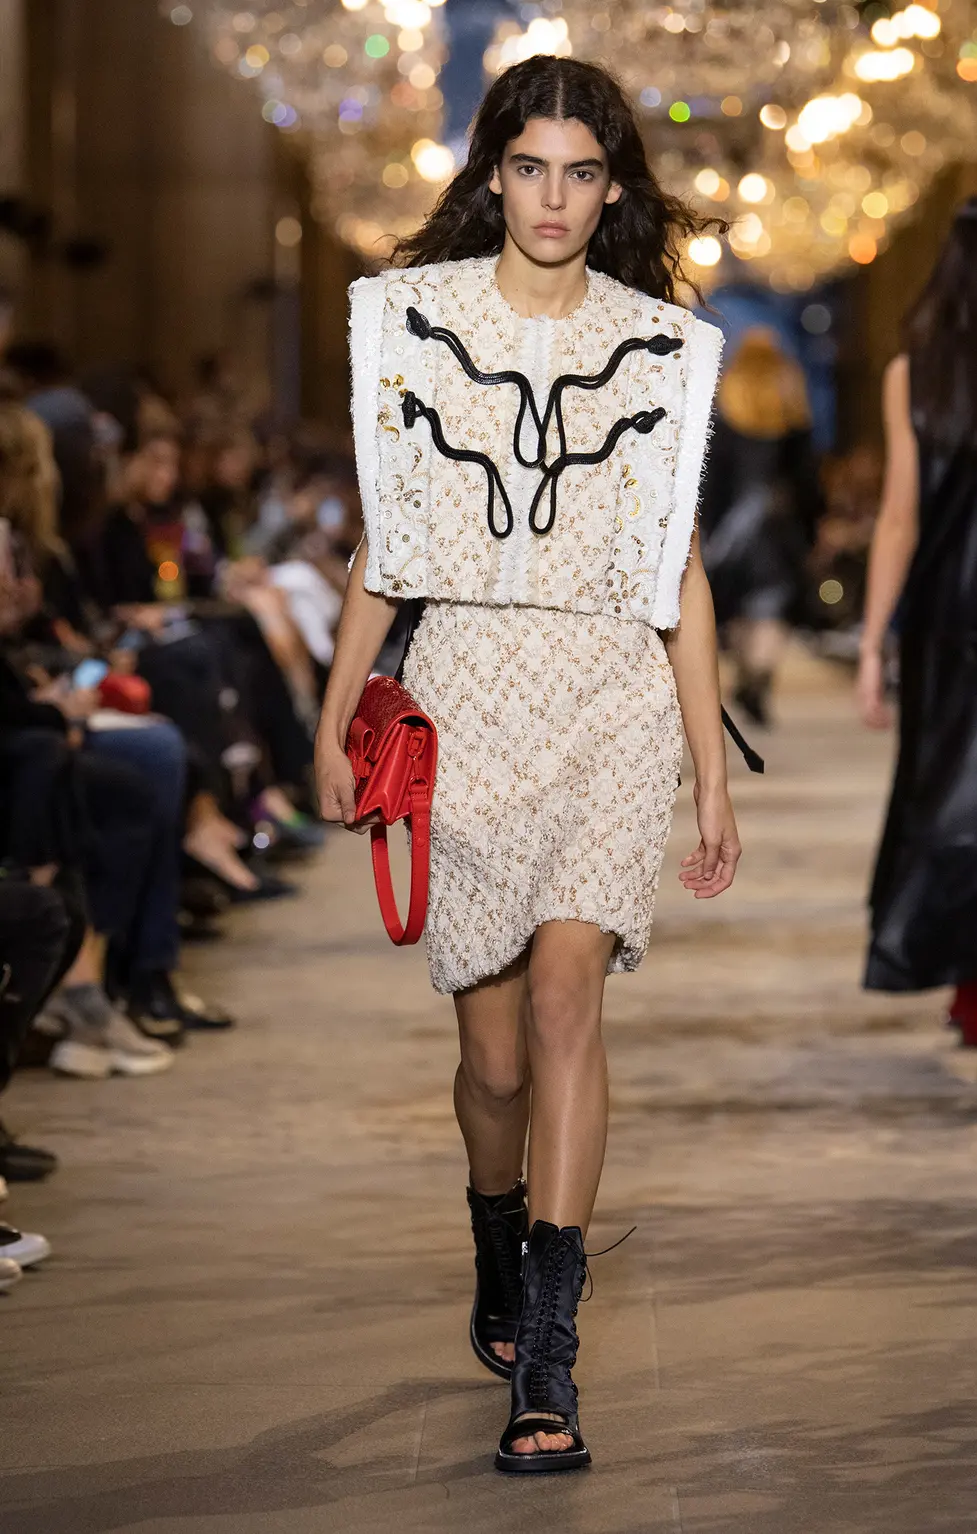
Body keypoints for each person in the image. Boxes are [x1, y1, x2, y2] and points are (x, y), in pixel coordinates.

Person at [315, 56, 742, 1473]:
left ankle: (549, 1356)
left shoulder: (661, 347)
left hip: (611, 698)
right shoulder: (415, 323)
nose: (553, 197)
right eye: (529, 167)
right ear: (492, 174)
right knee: (490, 1059)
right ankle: (494, 1226)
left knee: (567, 1003)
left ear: (611, 189)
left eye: (581, 172)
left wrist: (709, 770)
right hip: (466, 699)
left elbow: (677, 568)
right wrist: (332, 715)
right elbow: (388, 542)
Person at [856, 193, 977, 1083]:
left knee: (957, 799)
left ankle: (976, 986)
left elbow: (900, 518)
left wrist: (874, 642)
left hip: (948, 621)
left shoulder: (915, 372)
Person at [702, 327, 820, 727]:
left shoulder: (721, 414)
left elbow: (710, 480)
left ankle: (746, 674)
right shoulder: (791, 415)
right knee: (771, 607)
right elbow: (807, 480)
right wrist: (812, 525)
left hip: (731, 530)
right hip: (778, 528)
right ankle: (759, 678)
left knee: (738, 607)